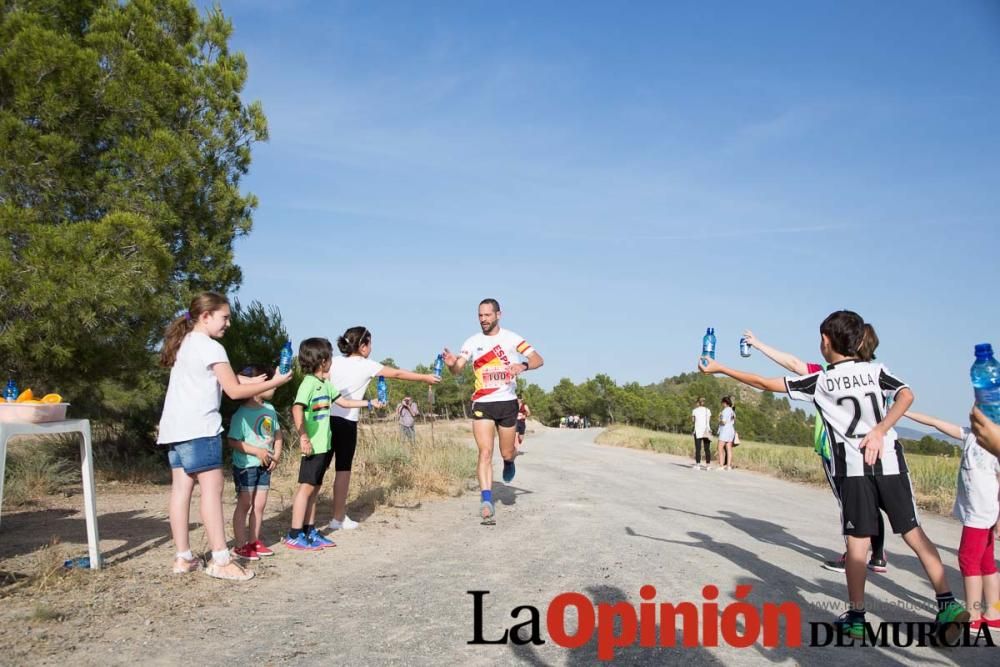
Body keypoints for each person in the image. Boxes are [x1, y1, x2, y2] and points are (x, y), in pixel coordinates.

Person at [698, 310, 968, 640]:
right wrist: (882, 429)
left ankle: (856, 616)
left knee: (857, 543)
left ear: (826, 342)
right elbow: (906, 395)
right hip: (890, 464)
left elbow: (763, 382)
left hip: (852, 470)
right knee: (914, 533)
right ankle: (947, 603)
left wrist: (721, 368)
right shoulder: (876, 370)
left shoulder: (821, 380)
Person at [157, 292, 291, 581]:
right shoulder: (212, 347)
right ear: (206, 316)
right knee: (212, 491)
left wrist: (257, 381)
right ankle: (220, 558)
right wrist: (276, 382)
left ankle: (184, 558)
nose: (229, 323)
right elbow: (232, 390)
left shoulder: (185, 343)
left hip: (175, 430)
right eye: (225, 317)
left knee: (181, 492)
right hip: (200, 429)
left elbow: (221, 378)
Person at [741, 329, 888, 574]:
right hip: (872, 450)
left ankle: (854, 555)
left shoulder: (827, 375)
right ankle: (878, 555)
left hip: (837, 451)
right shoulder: (875, 376)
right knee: (870, 502)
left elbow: (792, 364)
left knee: (849, 504)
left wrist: (758, 345)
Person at [327, 327, 439, 531]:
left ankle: (305, 523)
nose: (371, 348)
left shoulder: (333, 361)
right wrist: (425, 378)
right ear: (362, 346)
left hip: (323, 421)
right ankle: (337, 517)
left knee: (317, 470)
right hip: (346, 421)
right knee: (342, 470)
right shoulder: (367, 365)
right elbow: (397, 373)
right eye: (369, 343)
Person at [443, 298, 543, 525]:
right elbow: (458, 369)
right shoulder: (472, 341)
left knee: (506, 452)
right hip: (482, 403)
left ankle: (509, 461)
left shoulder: (511, 338)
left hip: (507, 403)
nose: (483, 319)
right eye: (480, 315)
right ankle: (486, 500)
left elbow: (538, 359)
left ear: (498, 314)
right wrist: (451, 364)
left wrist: (523, 365)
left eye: (487, 315)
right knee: (485, 453)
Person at [905, 410, 1000, 630]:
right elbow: (936, 421)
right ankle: (994, 614)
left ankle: (974, 615)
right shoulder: (970, 436)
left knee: (968, 561)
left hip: (981, 513)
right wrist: (905, 412)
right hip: (978, 512)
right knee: (986, 562)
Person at [286, 337, 381, 551]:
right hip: (311, 445)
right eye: (329, 357)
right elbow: (296, 408)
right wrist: (303, 436)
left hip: (323, 445)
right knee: (306, 489)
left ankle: (309, 530)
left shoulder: (325, 385)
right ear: (323, 361)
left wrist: (369, 403)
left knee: (315, 488)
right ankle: (294, 533)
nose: (332, 361)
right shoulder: (309, 383)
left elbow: (345, 402)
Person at [228, 364, 282, 561]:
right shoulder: (240, 415)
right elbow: (233, 441)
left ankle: (254, 542)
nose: (273, 386)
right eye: (268, 382)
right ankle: (240, 545)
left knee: (259, 506)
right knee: (245, 504)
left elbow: (277, 433)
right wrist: (257, 451)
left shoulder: (270, 409)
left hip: (265, 466)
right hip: (246, 466)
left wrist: (276, 454)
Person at [691, 397, 712, 470]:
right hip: (706, 431)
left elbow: (693, 421)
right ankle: (708, 465)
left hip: (698, 431)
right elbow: (709, 421)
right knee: (707, 449)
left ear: (697, 403)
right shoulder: (708, 410)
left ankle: (698, 465)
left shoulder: (694, 411)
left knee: (698, 448)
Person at [716, 397, 736, 471]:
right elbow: (734, 420)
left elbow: (723, 422)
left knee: (720, 448)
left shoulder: (725, 411)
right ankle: (728, 466)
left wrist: (719, 419)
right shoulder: (732, 411)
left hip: (725, 431)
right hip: (731, 430)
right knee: (729, 449)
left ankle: (721, 465)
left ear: (724, 403)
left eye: (722, 403)